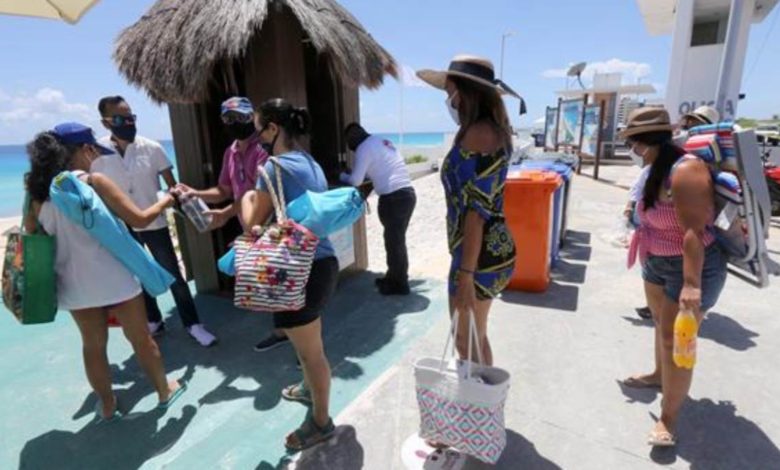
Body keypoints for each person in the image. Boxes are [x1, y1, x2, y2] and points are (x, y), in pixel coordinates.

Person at [25, 123, 186, 420]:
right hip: (115, 278)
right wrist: (166, 198)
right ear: (85, 150)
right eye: (95, 152)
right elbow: (139, 220)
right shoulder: (95, 181)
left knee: (93, 346)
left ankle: (108, 405)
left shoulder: (36, 193)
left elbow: (32, 234)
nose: (96, 159)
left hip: (73, 285)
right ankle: (164, 390)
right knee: (140, 339)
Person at [621, 107, 728, 447]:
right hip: (657, 262)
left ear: (641, 143)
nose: (632, 150)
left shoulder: (686, 170)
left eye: (632, 143)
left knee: (676, 343)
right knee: (659, 326)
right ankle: (657, 376)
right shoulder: (656, 169)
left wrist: (692, 285)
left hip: (690, 266)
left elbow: (693, 232)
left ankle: (668, 419)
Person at [246, 98, 339, 451]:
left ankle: (321, 422)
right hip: (322, 264)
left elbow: (252, 223)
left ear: (272, 129)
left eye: (259, 130)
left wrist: (242, 200)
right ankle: (307, 388)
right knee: (307, 342)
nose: (257, 138)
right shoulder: (310, 163)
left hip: (297, 270)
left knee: (312, 352)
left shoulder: (272, 167)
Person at [417, 55, 518, 367]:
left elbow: (476, 212)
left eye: (450, 91)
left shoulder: (479, 134)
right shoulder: (485, 129)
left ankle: (480, 409)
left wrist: (465, 276)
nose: (448, 99)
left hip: (477, 255)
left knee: (465, 340)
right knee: (476, 335)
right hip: (487, 249)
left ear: (466, 91)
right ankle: (485, 407)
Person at [92, 96, 216, 347]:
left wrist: (194, 209)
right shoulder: (96, 152)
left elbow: (172, 187)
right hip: (121, 226)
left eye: (130, 117)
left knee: (173, 276)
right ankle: (154, 320)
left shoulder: (152, 148)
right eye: (119, 118)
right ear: (105, 123)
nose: (126, 122)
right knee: (138, 275)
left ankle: (193, 324)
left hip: (155, 223)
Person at [173, 97, 285, 353]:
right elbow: (225, 189)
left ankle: (292, 334)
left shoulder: (264, 150)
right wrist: (197, 194)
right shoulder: (230, 152)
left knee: (283, 278)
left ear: (251, 118)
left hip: (269, 223)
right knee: (268, 282)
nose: (236, 123)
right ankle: (284, 330)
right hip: (248, 226)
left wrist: (224, 214)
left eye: (242, 117)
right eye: (229, 119)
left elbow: (257, 194)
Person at [341, 123, 416, 295]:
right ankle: (393, 277)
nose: (352, 149)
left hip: (393, 198)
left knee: (394, 241)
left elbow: (355, 181)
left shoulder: (363, 148)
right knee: (396, 240)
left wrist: (341, 175)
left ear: (353, 139)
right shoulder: (381, 140)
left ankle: (399, 284)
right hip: (407, 194)